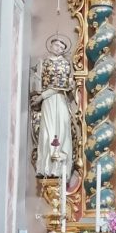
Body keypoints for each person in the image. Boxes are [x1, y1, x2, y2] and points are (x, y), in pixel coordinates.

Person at [31, 36, 76, 177]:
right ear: (51, 46)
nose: (59, 49)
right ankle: (45, 167)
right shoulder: (42, 63)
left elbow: (62, 86)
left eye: (62, 48)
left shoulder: (65, 64)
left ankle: (59, 167)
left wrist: (41, 97)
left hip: (59, 99)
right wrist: (37, 94)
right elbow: (37, 82)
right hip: (48, 103)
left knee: (61, 130)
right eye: (57, 46)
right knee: (46, 132)